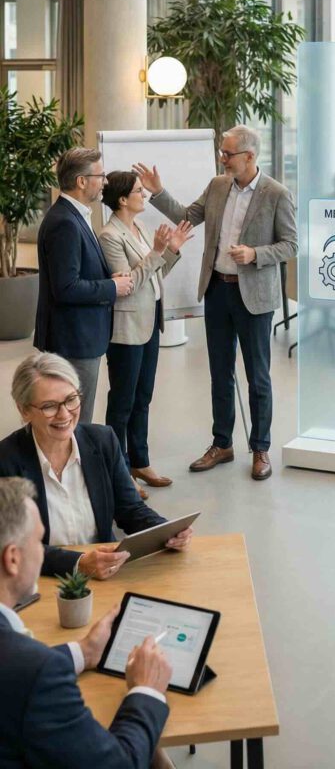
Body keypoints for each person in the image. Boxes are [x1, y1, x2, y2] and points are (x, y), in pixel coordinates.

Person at [134, 124, 298, 482]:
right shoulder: (217, 185)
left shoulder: (276, 194)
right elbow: (186, 216)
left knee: (258, 377)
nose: (222, 158)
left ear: (249, 157)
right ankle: (222, 444)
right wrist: (158, 191)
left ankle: (260, 448)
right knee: (220, 373)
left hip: (253, 296)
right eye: (222, 152)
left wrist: (255, 253)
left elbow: (290, 245)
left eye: (227, 153)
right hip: (218, 291)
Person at [0, 476, 171, 768]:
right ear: (12, 559)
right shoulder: (35, 671)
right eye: (39, 542)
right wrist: (147, 690)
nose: (43, 552)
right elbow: (119, 764)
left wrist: (84, 651)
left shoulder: (24, 667)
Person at [0, 352, 192, 579]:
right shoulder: (6, 460)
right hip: (41, 579)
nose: (64, 415)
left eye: (71, 399)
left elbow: (130, 511)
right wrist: (78, 563)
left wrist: (167, 531)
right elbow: (13, 547)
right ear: (24, 410)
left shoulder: (103, 441)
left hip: (106, 572)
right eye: (49, 406)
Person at [99, 171, 193, 495]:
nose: (144, 195)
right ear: (122, 199)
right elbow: (126, 285)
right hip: (126, 329)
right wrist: (156, 253)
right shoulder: (109, 236)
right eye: (140, 191)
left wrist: (172, 250)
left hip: (150, 322)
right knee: (122, 402)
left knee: (143, 397)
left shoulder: (138, 226)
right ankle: (120, 472)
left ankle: (140, 461)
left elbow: (155, 275)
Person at [34, 147, 134, 425]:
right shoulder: (64, 222)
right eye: (100, 175)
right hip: (73, 339)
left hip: (80, 335)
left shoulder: (74, 215)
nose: (104, 182)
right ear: (81, 181)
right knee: (75, 420)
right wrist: (112, 287)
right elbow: (66, 288)